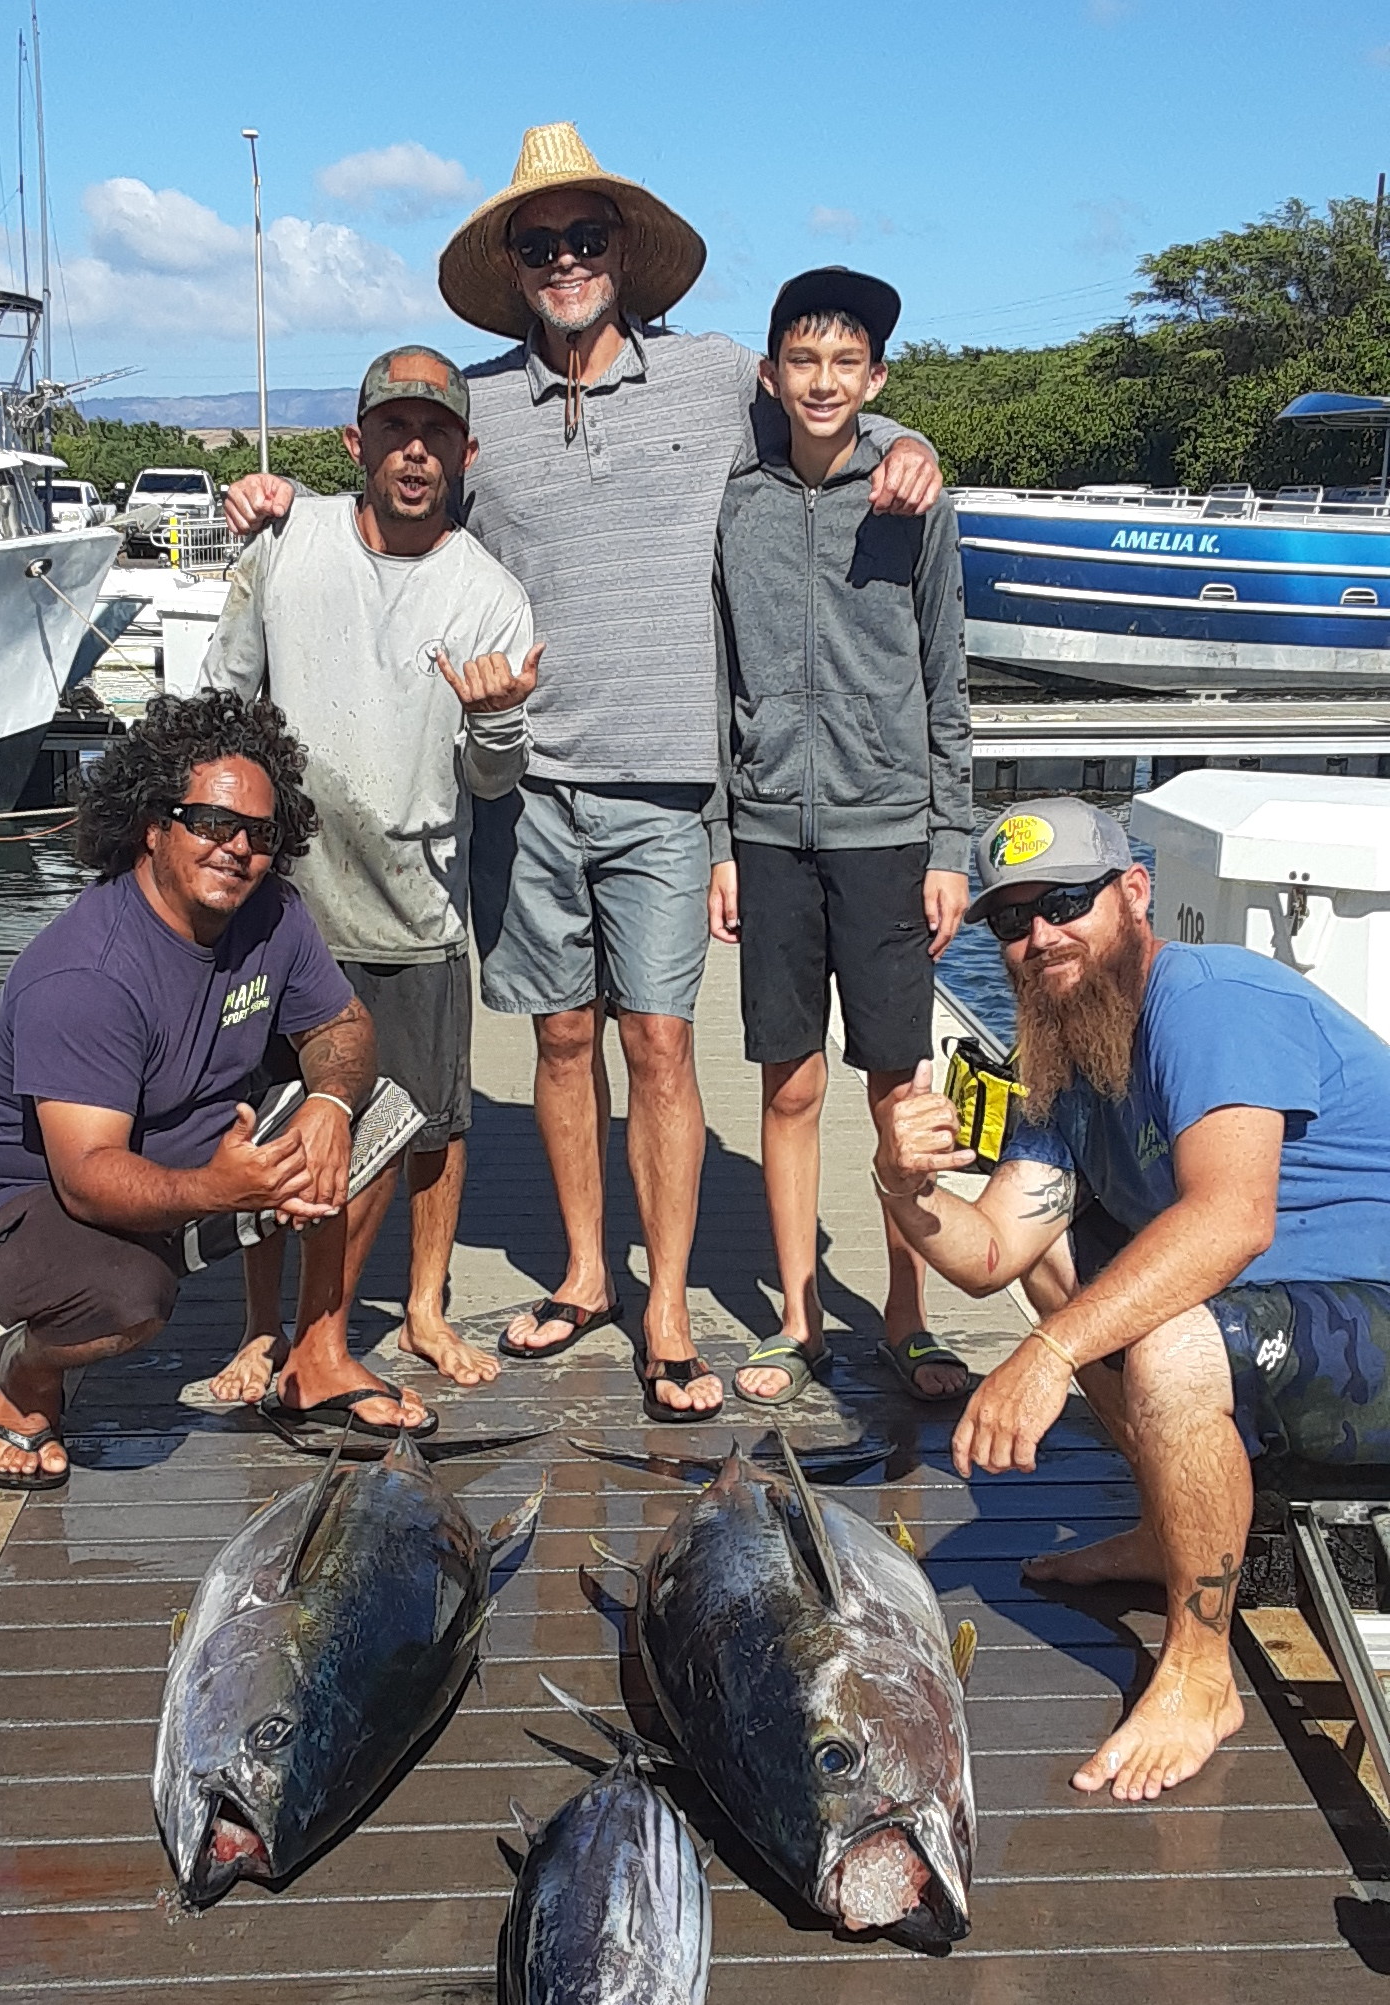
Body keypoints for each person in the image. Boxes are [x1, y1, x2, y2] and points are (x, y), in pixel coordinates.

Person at [225, 124, 943, 1421]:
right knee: (561, 1040)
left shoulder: (718, 372)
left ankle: (668, 1311)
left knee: (661, 1044)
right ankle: (583, 1273)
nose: (565, 258)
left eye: (586, 237)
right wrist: (284, 510)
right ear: (516, 265)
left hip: (671, 784)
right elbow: (399, 503)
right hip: (519, 786)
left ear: (625, 253)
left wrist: (908, 442)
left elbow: (821, 407)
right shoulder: (480, 407)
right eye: (540, 241)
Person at [873, 795, 1390, 1803]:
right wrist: (903, 1186)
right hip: (1280, 1314)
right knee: (1067, 1262)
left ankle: (1201, 1677)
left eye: (1065, 901)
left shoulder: (1206, 999)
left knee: (1166, 1346)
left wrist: (1050, 1354)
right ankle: (1169, 1526)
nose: (1039, 938)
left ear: (1135, 893)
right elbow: (993, 1250)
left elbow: (1230, 1219)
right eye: (1011, 922)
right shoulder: (1062, 1061)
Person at [0, 691, 437, 1491]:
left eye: (260, 834)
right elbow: (88, 1177)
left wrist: (330, 1106)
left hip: (185, 1155)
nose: (237, 847)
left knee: (379, 1115)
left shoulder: (272, 914)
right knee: (131, 1299)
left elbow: (344, 1026)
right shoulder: (87, 973)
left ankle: (317, 1357)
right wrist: (218, 1188)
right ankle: (27, 1372)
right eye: (211, 822)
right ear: (153, 823)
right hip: (20, 1200)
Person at [203, 345, 540, 1401]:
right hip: (284, 904)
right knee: (266, 1117)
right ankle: (265, 1326)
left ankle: (425, 1308)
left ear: (465, 452)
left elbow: (493, 781)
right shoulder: (286, 542)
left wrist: (496, 717)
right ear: (356, 443)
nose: (413, 450)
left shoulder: (490, 596)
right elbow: (221, 700)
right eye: (393, 429)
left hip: (416, 907)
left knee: (427, 1126)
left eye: (436, 432)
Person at [705, 267, 973, 1409]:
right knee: (789, 1083)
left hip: (887, 834)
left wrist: (952, 840)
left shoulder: (911, 495)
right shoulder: (733, 494)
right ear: (772, 373)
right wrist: (722, 831)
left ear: (874, 379)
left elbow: (946, 677)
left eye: (845, 364)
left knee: (896, 1086)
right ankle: (800, 1317)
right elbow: (713, 675)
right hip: (767, 830)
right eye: (802, 361)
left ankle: (908, 1316)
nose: (823, 381)